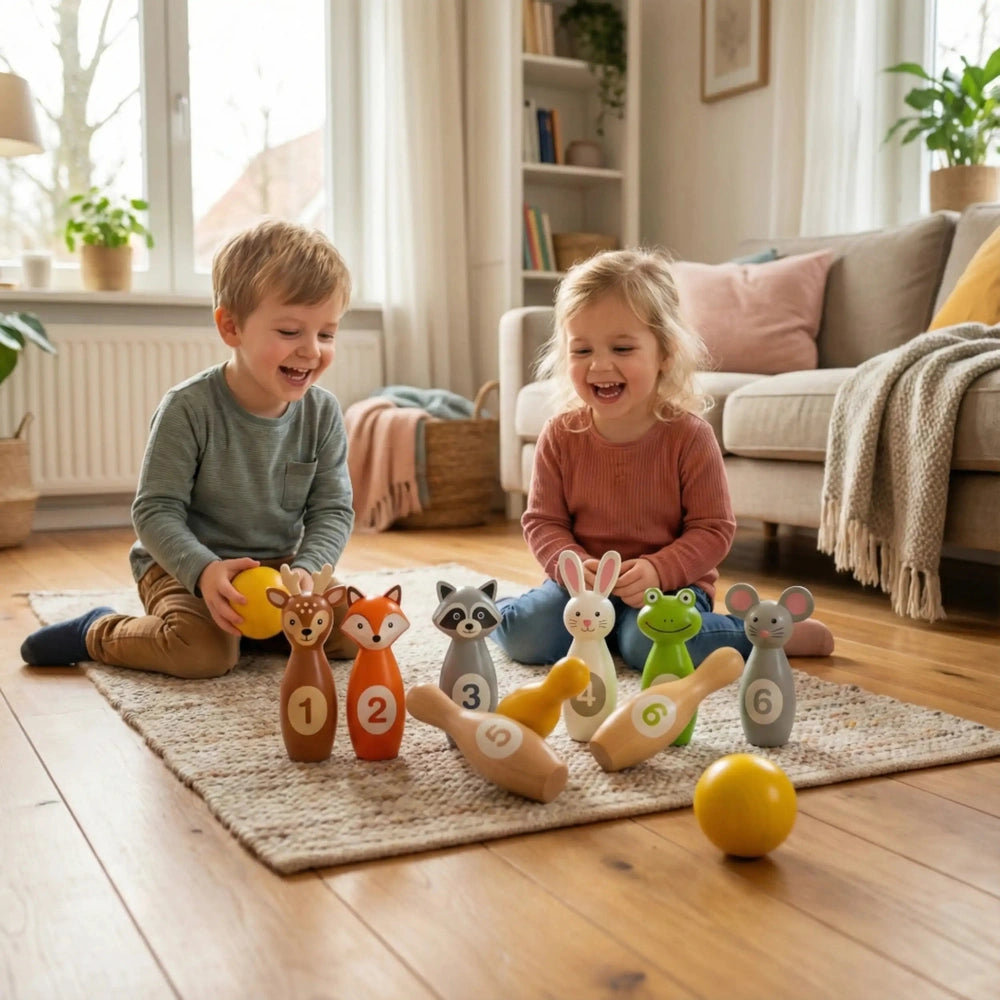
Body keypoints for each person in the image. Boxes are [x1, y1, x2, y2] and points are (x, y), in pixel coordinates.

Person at [20, 219, 357, 677]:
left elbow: (333, 509)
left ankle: (257, 630)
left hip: (279, 571)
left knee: (353, 628)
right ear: (231, 327)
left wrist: (308, 570)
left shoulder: (323, 412)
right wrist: (202, 572)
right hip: (185, 565)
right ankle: (95, 630)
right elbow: (154, 510)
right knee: (202, 656)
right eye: (290, 332)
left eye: (326, 334)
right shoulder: (188, 408)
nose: (311, 350)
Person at [492, 247, 834, 670]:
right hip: (581, 587)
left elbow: (713, 529)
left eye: (621, 348)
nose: (600, 365)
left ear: (665, 353)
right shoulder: (560, 435)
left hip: (671, 588)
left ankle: (766, 631)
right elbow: (543, 523)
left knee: (650, 646)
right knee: (526, 635)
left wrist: (658, 570)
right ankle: (501, 611)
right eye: (582, 351)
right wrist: (576, 567)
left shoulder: (689, 437)